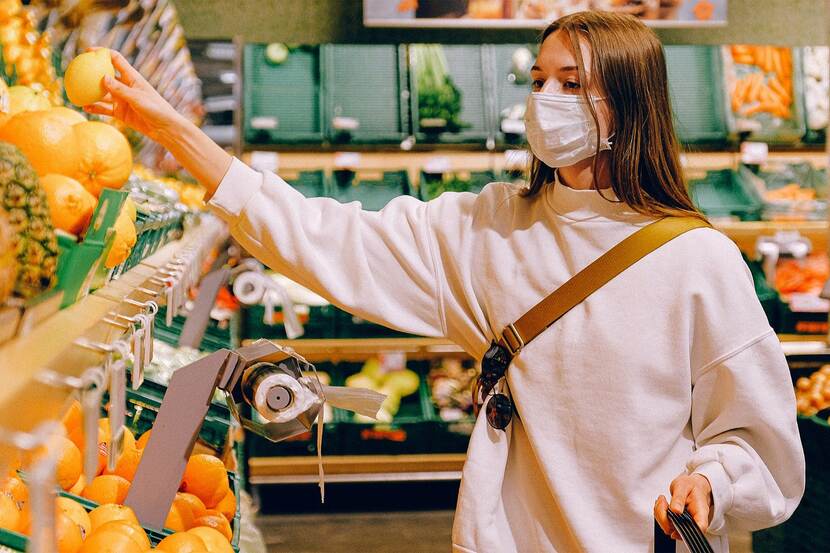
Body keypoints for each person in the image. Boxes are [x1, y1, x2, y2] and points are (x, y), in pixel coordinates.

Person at [88, 10, 805, 553]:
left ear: (628, 102)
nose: (545, 100)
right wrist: (179, 136)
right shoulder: (494, 227)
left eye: (572, 83)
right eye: (538, 79)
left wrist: (712, 479)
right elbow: (325, 234)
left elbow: (757, 440)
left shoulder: (695, 263)